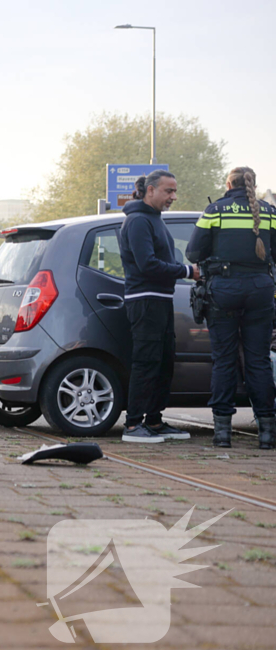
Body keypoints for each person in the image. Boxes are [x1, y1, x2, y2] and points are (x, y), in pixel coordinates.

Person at [187, 166, 276, 449]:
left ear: (228, 183)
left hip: (224, 291)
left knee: (224, 360)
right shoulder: (270, 213)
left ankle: (222, 433)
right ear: (252, 184)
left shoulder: (216, 210)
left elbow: (192, 253)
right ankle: (266, 433)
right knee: (259, 360)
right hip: (261, 291)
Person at [118, 170, 198, 444]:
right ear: (150, 190)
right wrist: (187, 270)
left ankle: (153, 420)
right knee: (146, 362)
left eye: (175, 191)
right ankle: (132, 426)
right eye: (168, 191)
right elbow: (147, 264)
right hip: (145, 300)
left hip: (160, 301)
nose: (173, 197)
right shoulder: (138, 221)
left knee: (164, 362)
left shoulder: (153, 219)